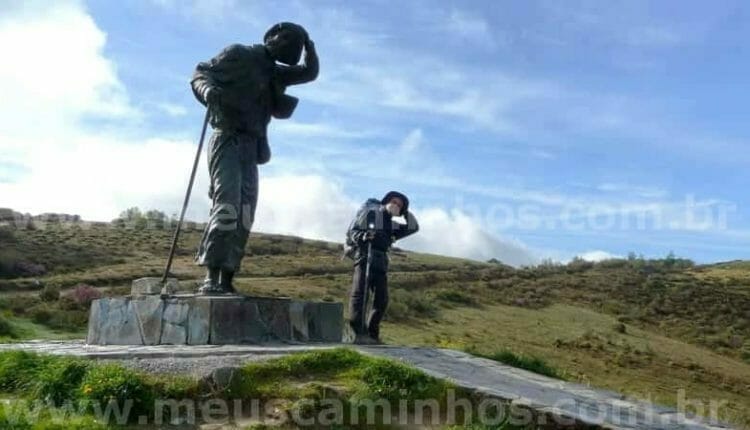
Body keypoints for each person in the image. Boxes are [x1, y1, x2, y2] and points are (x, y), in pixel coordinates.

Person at [190, 22, 319, 294]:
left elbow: (309, 73)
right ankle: (211, 275)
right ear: (271, 37)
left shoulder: (275, 73)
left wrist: (310, 43)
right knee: (227, 205)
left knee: (246, 213)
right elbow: (201, 73)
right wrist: (207, 92)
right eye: (288, 40)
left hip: (252, 147)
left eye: (296, 46)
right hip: (227, 137)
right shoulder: (239, 54)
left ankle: (227, 276)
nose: (291, 48)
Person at [345, 191, 420, 343]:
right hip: (365, 256)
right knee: (360, 295)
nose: (396, 205)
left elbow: (413, 227)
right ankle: (357, 332)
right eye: (394, 201)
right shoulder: (371, 213)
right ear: (386, 201)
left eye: (399, 205)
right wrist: (363, 236)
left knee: (382, 299)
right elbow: (352, 232)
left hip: (381, 261)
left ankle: (372, 334)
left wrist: (405, 212)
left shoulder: (392, 225)